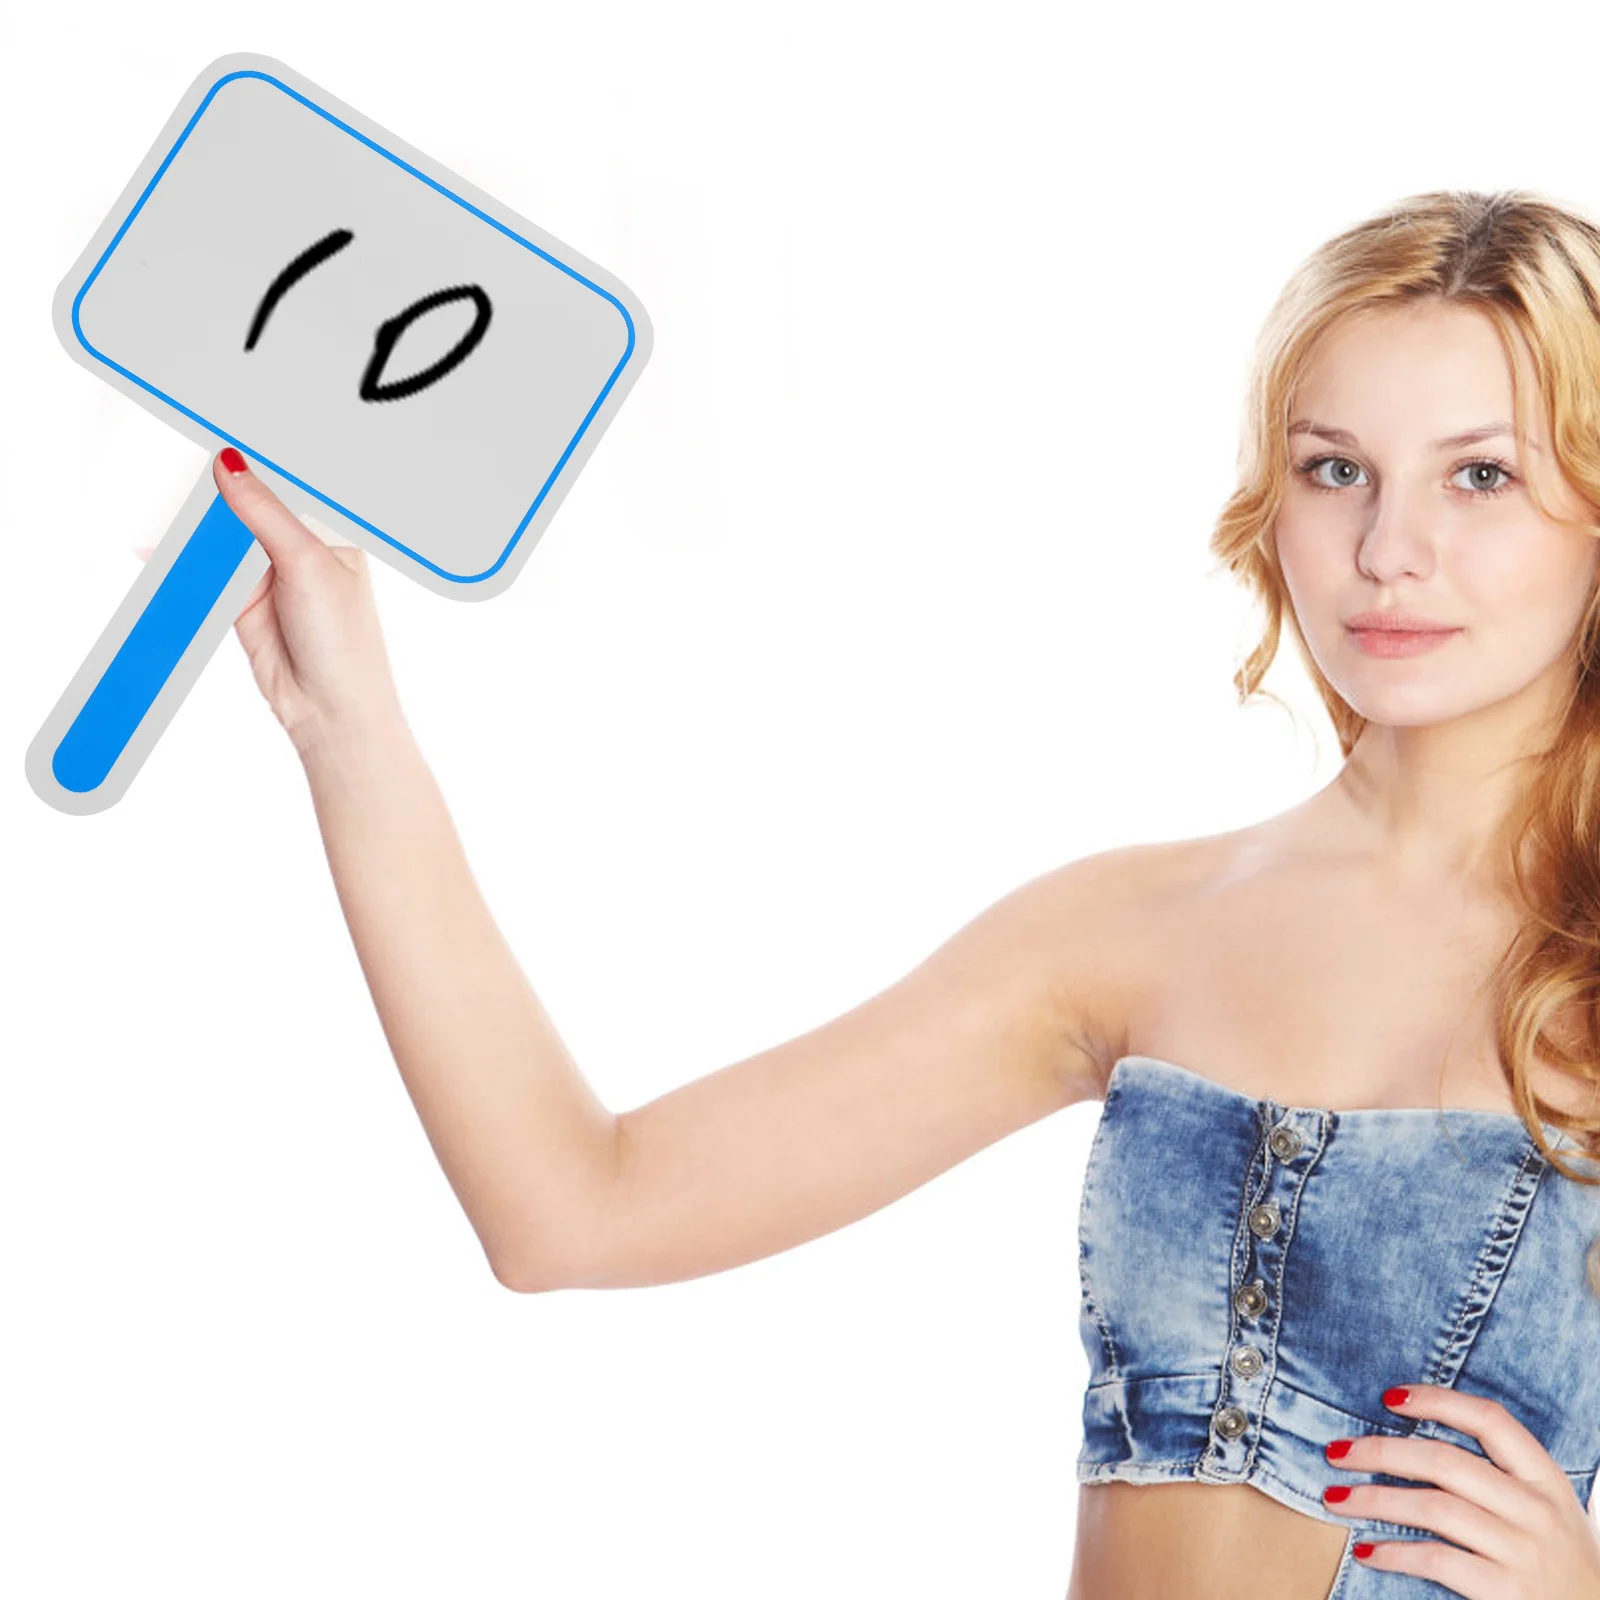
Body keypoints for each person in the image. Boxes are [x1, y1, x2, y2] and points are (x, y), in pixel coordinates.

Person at [143, 188, 1600, 1600]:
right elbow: (571, 1208)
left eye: (1483, 475)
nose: (1389, 549)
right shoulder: (1128, 930)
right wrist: (348, 725)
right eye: (1335, 468)